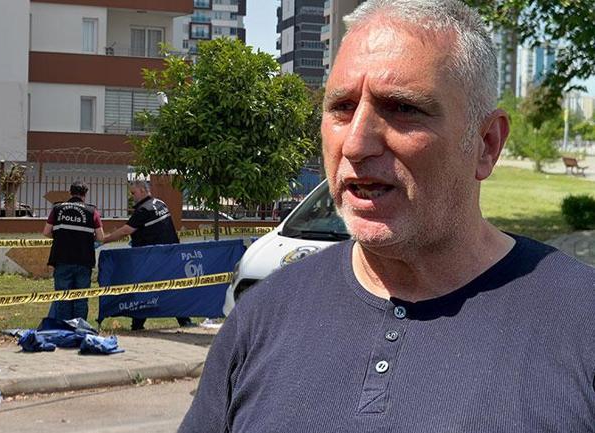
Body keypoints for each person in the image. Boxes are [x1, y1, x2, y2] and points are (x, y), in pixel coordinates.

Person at [179, 0, 595, 431]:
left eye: (402, 108)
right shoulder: (261, 316)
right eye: (341, 107)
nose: (356, 145)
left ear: (486, 143)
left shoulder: (582, 321)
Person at [103, 180, 193, 330]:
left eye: (134, 193)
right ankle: (184, 320)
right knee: (171, 288)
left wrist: (104, 240)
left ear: (143, 191)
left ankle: (137, 324)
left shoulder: (143, 210)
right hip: (169, 253)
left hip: (150, 257)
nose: (132, 196)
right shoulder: (160, 203)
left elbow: (126, 230)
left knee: (144, 289)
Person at [43, 181, 104, 322]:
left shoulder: (57, 208)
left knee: (63, 297)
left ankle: (64, 327)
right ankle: (79, 327)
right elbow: (100, 237)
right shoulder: (92, 211)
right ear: (85, 195)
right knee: (81, 298)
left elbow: (46, 232)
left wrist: (60, 237)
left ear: (70, 193)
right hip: (84, 260)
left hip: (62, 259)